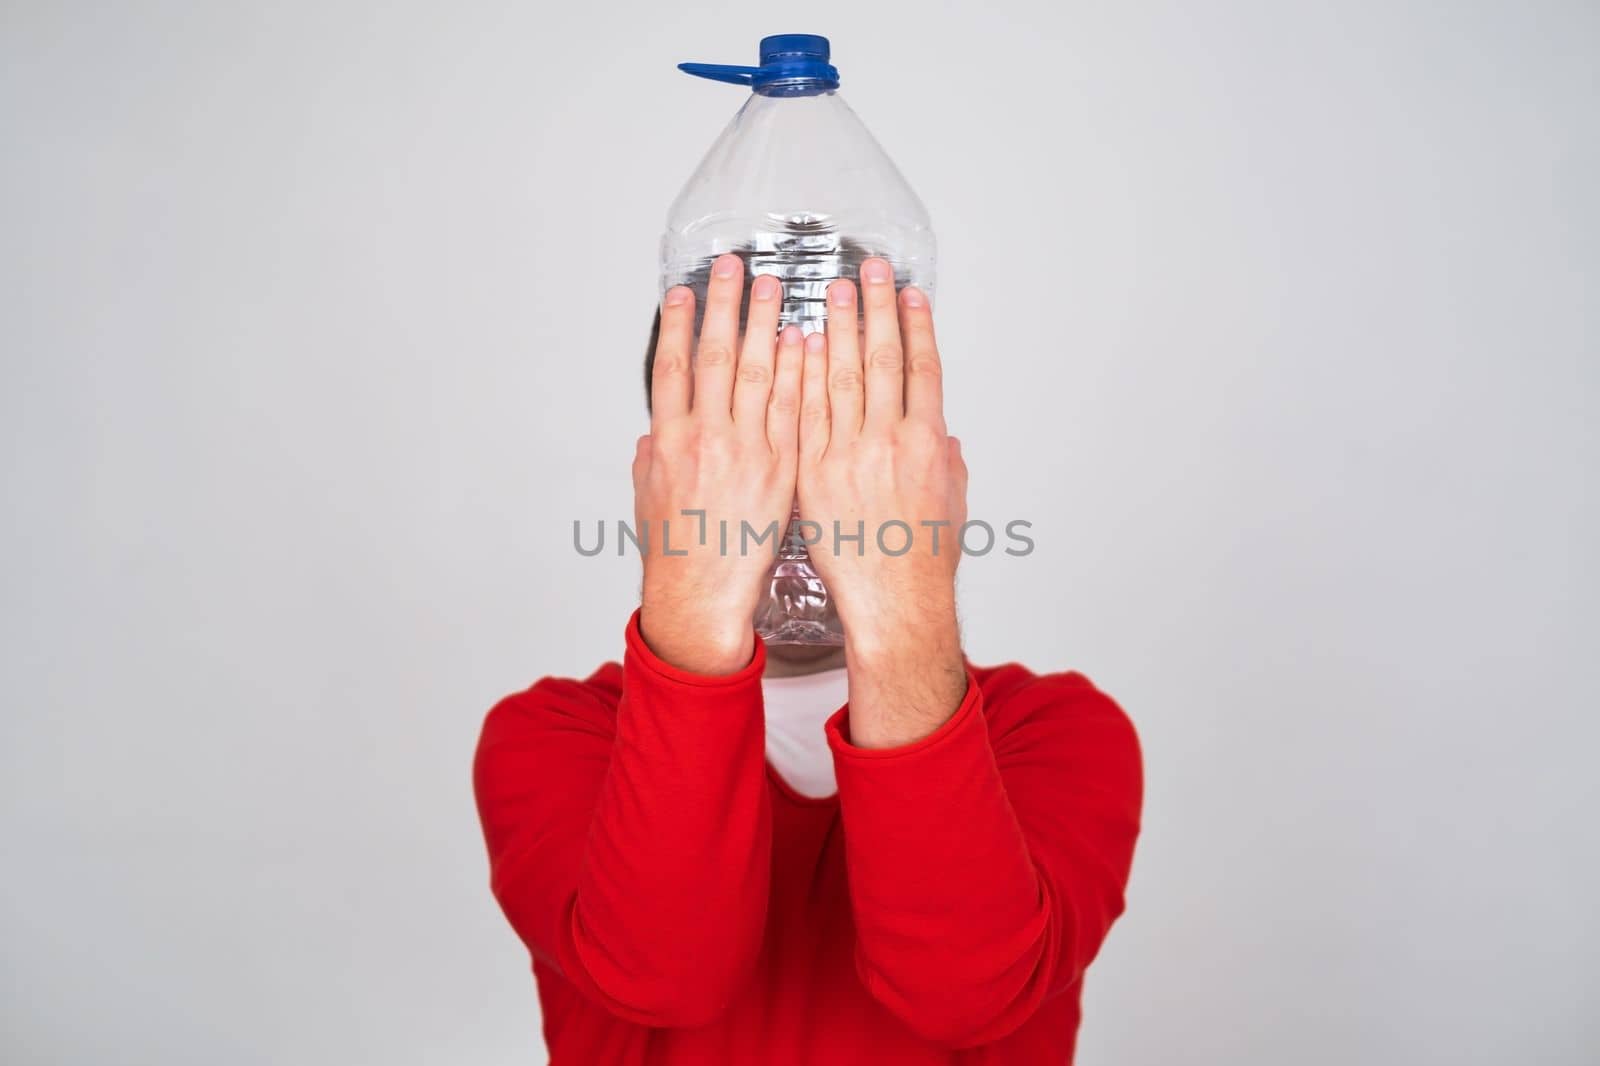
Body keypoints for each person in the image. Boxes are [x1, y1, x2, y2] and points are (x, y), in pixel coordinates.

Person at [472, 254, 1144, 1064]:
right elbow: (665, 979)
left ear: (921, 462)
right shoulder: (550, 738)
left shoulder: (1058, 734)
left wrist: (901, 588)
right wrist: (694, 584)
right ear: (672, 470)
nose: (799, 491)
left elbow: (960, 994)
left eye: (847, 430)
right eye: (741, 436)